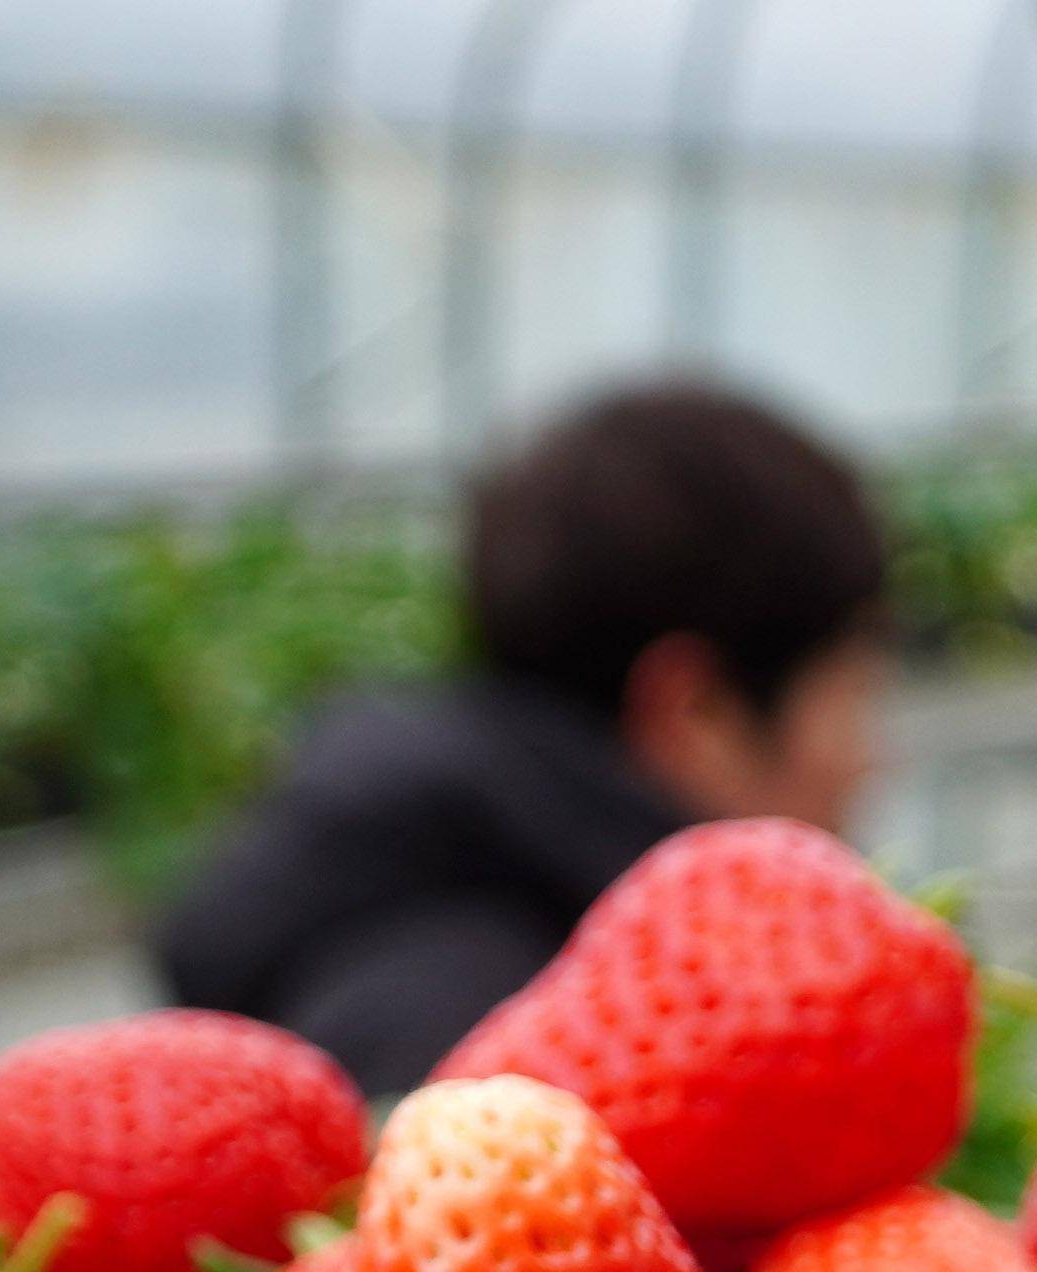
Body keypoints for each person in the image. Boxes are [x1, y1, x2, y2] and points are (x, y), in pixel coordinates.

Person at [151, 381, 893, 1090]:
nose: (869, 762)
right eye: (852, 697)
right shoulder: (478, 1033)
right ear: (695, 713)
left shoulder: (456, 880)